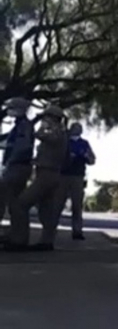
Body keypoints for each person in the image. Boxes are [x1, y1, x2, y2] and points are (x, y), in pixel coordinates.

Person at [5, 105, 68, 252]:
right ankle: (46, 241)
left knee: (21, 204)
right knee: (46, 211)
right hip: (48, 174)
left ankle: (19, 239)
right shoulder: (60, 133)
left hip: (47, 175)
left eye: (45, 116)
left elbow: (40, 136)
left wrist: (42, 126)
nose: (43, 119)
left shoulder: (57, 132)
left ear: (52, 118)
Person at [52, 122, 95, 241]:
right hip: (63, 175)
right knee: (58, 204)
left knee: (77, 206)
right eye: (75, 128)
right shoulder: (64, 142)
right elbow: (56, 157)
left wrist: (85, 156)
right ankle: (51, 229)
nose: (77, 130)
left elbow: (92, 160)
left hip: (78, 176)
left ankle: (77, 231)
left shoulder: (84, 144)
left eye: (79, 128)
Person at [0, 98, 35, 240]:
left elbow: (23, 146)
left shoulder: (24, 126)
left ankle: (18, 237)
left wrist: (11, 161)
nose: (9, 111)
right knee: (12, 201)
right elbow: (8, 141)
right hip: (16, 166)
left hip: (17, 167)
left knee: (14, 201)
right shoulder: (19, 125)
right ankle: (16, 235)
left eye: (11, 108)